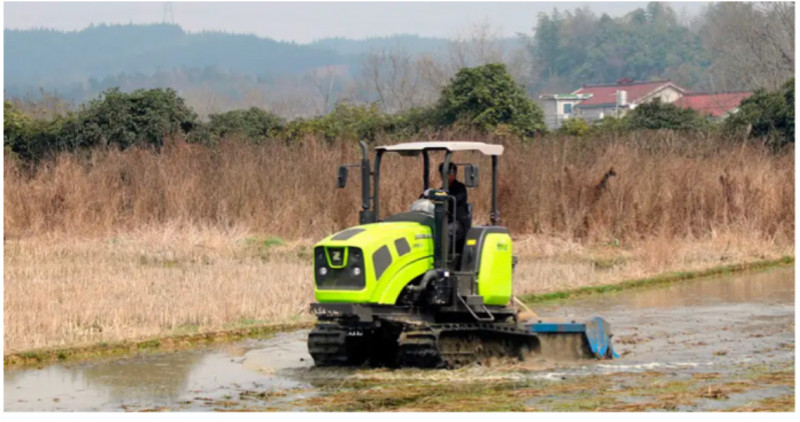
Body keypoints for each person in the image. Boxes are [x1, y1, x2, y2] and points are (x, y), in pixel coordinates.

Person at [438, 162, 471, 252]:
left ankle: (443, 261)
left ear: (454, 174)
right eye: (442, 174)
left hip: (458, 223)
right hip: (444, 220)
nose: (443, 176)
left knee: (447, 231)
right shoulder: (441, 190)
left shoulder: (460, 188)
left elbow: (456, 198)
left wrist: (445, 198)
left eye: (447, 174)